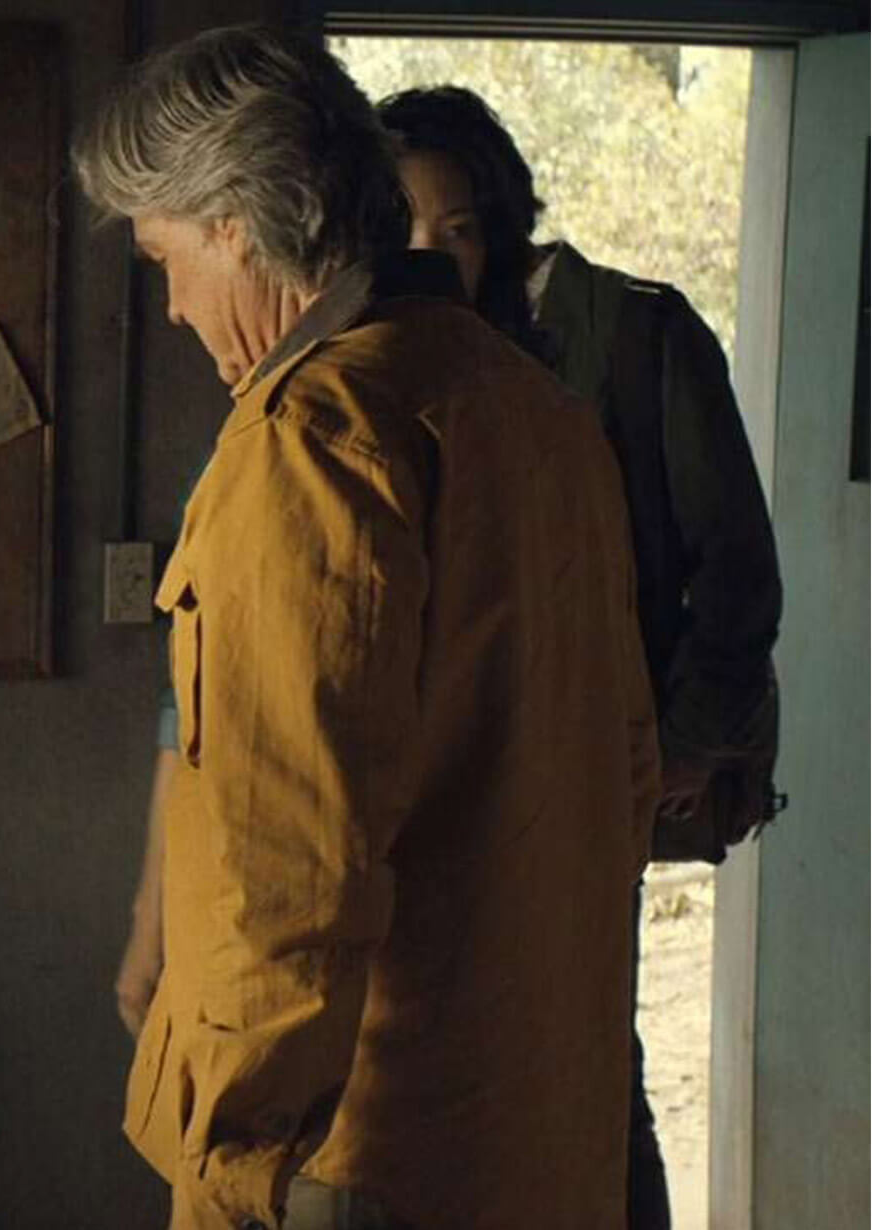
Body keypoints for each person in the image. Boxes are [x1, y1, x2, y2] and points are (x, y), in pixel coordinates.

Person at [76, 26, 660, 1230]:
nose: (173, 309)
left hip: (361, 1144)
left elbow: (286, 867)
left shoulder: (311, 439)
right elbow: (625, 770)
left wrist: (224, 1169)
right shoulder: (534, 409)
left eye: (164, 258)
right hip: (542, 1127)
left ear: (234, 223)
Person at [375, 84, 783, 1229]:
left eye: (456, 227)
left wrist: (682, 745)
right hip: (452, 785)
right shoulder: (397, 354)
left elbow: (736, 566)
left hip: (596, 768)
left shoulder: (632, 334)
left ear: (502, 223)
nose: (428, 254)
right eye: (401, 228)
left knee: (592, 1056)